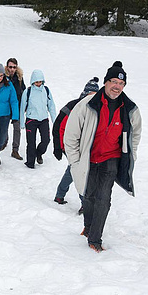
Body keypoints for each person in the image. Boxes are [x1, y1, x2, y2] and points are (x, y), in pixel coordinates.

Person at [64, 61, 142, 252]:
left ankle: (95, 238)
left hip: (111, 159)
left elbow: (135, 135)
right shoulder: (87, 105)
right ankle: (89, 227)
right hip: (89, 159)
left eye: (121, 84)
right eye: (114, 81)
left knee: (103, 199)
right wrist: (74, 161)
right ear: (106, 82)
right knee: (88, 196)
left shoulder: (129, 109)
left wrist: (131, 155)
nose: (117, 87)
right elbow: (71, 135)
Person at [52, 77, 100, 213]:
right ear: (85, 94)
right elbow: (57, 126)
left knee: (73, 170)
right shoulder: (73, 106)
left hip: (85, 147)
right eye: (90, 94)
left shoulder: (97, 108)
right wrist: (57, 147)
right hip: (70, 146)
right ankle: (84, 203)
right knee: (80, 172)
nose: (92, 98)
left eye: (94, 95)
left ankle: (59, 195)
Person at [20, 69, 56, 169]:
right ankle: (30, 163)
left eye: (40, 81)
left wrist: (55, 120)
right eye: (36, 82)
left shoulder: (46, 91)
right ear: (33, 81)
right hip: (31, 120)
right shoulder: (28, 92)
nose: (38, 84)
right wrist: (22, 122)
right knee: (31, 143)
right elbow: (22, 107)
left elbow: (51, 106)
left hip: (43, 119)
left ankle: (38, 153)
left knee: (46, 140)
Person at [5, 58, 26, 160]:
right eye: (10, 67)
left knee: (17, 129)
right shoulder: (2, 77)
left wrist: (25, 105)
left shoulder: (20, 78)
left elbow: (24, 91)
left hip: (17, 107)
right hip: (5, 107)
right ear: (7, 67)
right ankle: (3, 142)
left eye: (14, 67)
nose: (12, 69)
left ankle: (15, 150)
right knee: (3, 128)